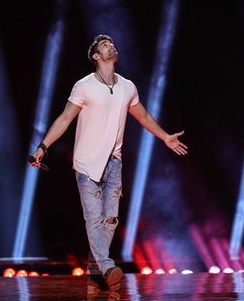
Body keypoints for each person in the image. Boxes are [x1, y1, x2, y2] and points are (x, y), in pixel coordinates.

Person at [29, 34, 188, 290]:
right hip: (86, 163)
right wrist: (42, 147)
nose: (111, 45)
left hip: (113, 161)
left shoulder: (127, 87)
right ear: (95, 56)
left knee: (110, 220)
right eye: (104, 45)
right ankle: (106, 265)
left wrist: (165, 137)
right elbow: (64, 119)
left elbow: (144, 116)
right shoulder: (84, 86)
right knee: (94, 218)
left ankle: (96, 265)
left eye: (111, 43)